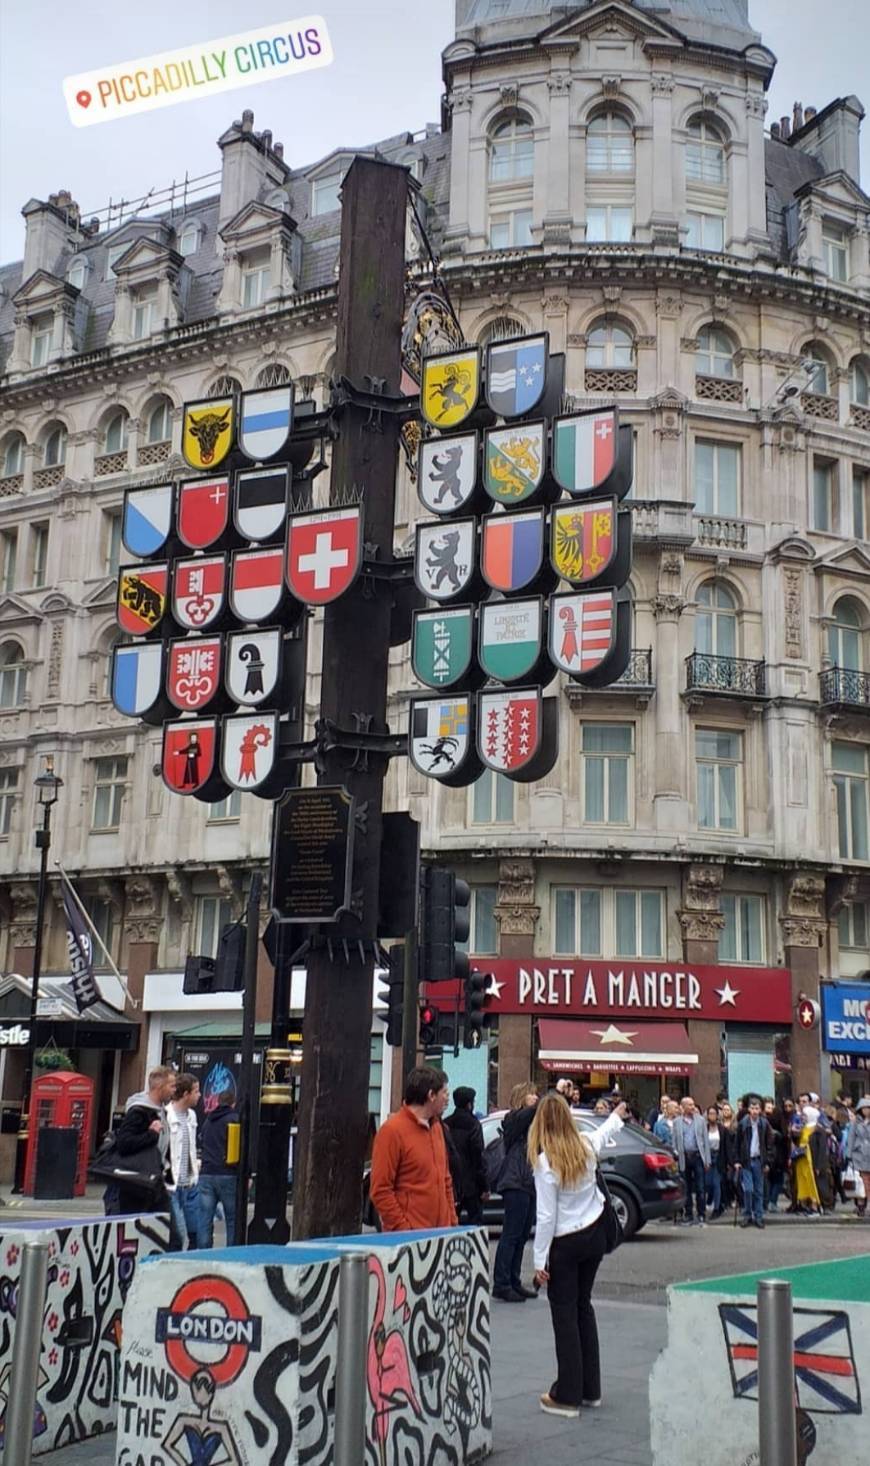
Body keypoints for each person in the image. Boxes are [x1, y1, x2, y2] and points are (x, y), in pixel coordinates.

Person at [530, 1091, 628, 1418]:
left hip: (566, 1243)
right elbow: (604, 1134)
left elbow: (546, 1218)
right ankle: (591, 1389)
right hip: (594, 1235)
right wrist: (616, 1115)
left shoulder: (545, 1162)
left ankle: (567, 1395)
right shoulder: (584, 1146)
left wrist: (538, 1262)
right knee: (583, 1307)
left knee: (564, 1315)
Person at [369, 1066, 457, 1231]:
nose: (447, 1098)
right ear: (431, 1095)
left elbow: (446, 1180)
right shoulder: (391, 1132)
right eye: (444, 1092)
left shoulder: (437, 1127)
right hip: (410, 1239)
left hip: (440, 1235)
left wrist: (452, 1223)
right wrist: (404, 1230)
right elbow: (380, 1190)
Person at [115, 1066, 179, 1242]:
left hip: (155, 1183)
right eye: (172, 1086)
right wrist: (151, 1135)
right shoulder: (139, 1112)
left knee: (171, 1238)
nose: (174, 1091)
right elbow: (124, 1143)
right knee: (135, 1237)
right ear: (160, 1087)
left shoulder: (161, 1111)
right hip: (136, 1183)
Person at [492, 1083, 539, 1302]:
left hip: (528, 1182)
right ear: (521, 1097)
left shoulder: (531, 1124)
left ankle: (514, 1280)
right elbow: (527, 1115)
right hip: (515, 1181)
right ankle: (502, 1283)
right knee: (511, 1234)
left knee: (521, 1235)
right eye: (531, 1093)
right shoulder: (514, 1119)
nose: (535, 1097)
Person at [198, 1087, 240, 1247]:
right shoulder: (234, 1119)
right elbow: (240, 1147)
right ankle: (231, 1253)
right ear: (233, 1103)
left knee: (205, 1218)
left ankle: (203, 1252)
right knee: (232, 1219)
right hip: (227, 1173)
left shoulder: (208, 1121)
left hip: (207, 1173)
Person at [165, 1073, 201, 1250]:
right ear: (186, 1094)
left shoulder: (192, 1116)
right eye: (196, 1091)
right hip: (172, 1186)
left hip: (191, 1185)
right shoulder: (166, 1115)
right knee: (177, 1235)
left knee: (197, 1233)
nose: (199, 1095)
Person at [443, 1086, 488, 1225]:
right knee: (475, 1224)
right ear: (470, 1104)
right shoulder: (474, 1124)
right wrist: (484, 1186)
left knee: (450, 1222)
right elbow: (478, 1156)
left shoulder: (446, 1124)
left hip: (452, 1181)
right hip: (471, 1184)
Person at [734, 1096, 775, 1228]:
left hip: (759, 1160)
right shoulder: (743, 1124)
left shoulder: (764, 1124)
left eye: (757, 1108)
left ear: (760, 1110)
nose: (755, 1111)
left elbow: (769, 1145)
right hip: (746, 1161)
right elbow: (737, 1143)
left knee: (759, 1190)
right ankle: (747, 1215)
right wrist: (737, 1160)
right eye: (752, 1108)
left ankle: (758, 1216)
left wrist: (768, 1162)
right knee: (748, 1189)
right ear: (748, 1109)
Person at [671, 1097, 711, 1225]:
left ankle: (701, 1214)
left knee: (700, 1187)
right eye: (689, 1105)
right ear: (683, 1107)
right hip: (684, 1157)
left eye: (693, 1104)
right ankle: (688, 1214)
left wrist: (707, 1160)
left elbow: (705, 1141)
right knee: (686, 1187)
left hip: (698, 1156)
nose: (693, 1107)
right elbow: (674, 1142)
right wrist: (675, 1158)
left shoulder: (700, 1121)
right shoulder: (677, 1122)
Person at [792, 1104, 832, 1215]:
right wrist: (794, 1134)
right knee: (805, 1183)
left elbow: (822, 1149)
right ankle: (805, 1204)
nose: (803, 1117)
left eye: (805, 1115)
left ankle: (816, 1206)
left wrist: (819, 1165)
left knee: (814, 1183)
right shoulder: (802, 1128)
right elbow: (797, 1142)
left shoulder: (818, 1130)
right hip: (802, 1160)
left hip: (812, 1161)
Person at [846, 1096, 870, 1217]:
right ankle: (860, 1205)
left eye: (868, 1108)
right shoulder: (856, 1122)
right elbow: (851, 1138)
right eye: (864, 1108)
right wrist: (848, 1155)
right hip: (859, 1155)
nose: (866, 1111)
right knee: (861, 1181)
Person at [705, 1105, 728, 1218]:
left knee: (716, 1183)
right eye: (710, 1114)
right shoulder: (705, 1128)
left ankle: (717, 1208)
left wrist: (729, 1162)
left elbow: (726, 1146)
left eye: (714, 1113)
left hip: (719, 1156)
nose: (712, 1116)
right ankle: (715, 1202)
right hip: (708, 1157)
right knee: (708, 1183)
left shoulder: (722, 1129)